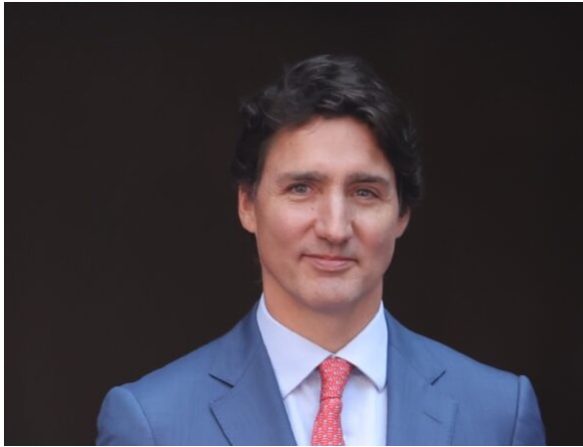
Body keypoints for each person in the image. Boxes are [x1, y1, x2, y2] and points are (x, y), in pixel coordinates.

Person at [96, 54, 545, 446]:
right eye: (301, 188)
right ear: (248, 204)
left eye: (365, 192)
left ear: (402, 213)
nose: (334, 227)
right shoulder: (154, 424)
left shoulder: (497, 415)